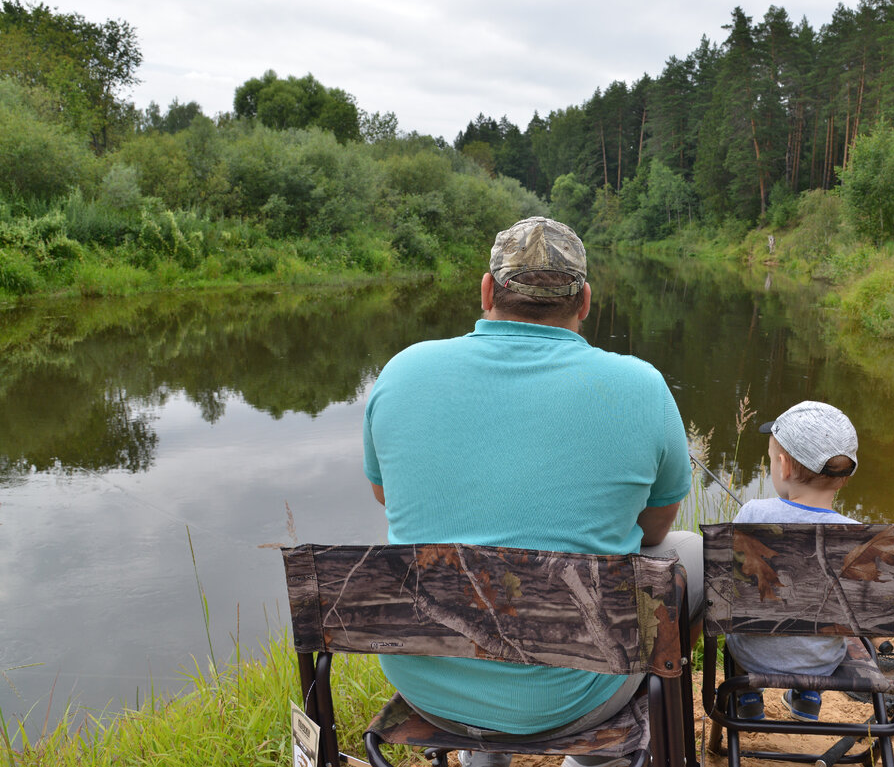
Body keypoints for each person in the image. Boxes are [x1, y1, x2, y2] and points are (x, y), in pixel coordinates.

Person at [363, 217, 702, 767]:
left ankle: (483, 756)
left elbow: (388, 497)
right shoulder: (641, 385)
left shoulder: (401, 371)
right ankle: (599, 758)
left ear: (488, 290)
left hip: (429, 688)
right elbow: (654, 531)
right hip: (577, 696)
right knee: (688, 555)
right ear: (585, 301)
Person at [727, 400, 860, 722]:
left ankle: (747, 697)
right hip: (821, 664)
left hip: (751, 654)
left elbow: (730, 592)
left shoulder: (752, 514)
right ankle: (808, 695)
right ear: (843, 478)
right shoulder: (856, 535)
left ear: (783, 466)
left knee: (736, 630)